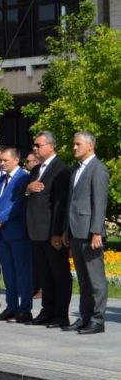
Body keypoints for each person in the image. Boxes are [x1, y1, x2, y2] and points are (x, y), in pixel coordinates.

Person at [62, 131, 110, 335]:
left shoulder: (98, 169)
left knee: (95, 279)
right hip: (75, 230)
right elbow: (71, 202)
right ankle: (86, 315)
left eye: (78, 144)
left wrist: (97, 231)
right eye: (74, 144)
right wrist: (66, 229)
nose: (74, 147)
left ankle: (98, 320)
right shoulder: (76, 170)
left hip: (90, 233)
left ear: (90, 146)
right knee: (82, 278)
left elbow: (99, 202)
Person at [24, 131, 71, 328]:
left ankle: (60, 315)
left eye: (38, 145)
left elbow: (60, 205)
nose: (34, 148)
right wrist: (27, 189)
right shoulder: (37, 170)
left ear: (50, 147)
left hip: (50, 232)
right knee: (44, 274)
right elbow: (29, 194)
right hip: (36, 230)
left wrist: (57, 233)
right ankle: (47, 310)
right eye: (34, 145)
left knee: (58, 274)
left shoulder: (60, 169)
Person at [0, 146, 33, 323]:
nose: (2, 163)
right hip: (2, 233)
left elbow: (19, 204)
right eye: (0, 160)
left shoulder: (23, 178)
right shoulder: (0, 181)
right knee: (8, 273)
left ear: (16, 160)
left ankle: (25, 308)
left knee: (22, 272)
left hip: (17, 232)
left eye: (6, 160)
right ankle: (11, 306)